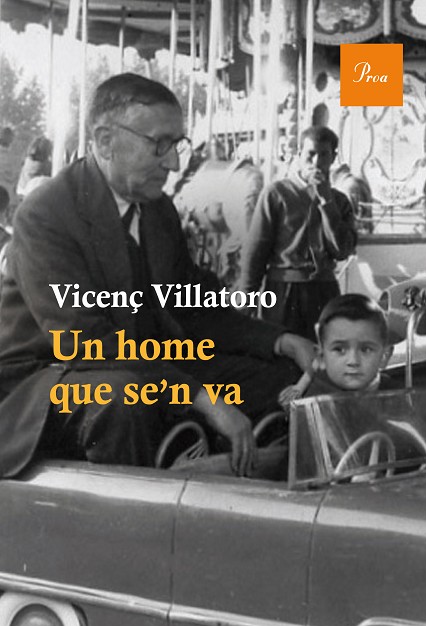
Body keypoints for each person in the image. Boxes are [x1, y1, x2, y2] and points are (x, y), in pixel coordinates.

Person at [0, 73, 314, 478]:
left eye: (177, 144)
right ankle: (130, 513)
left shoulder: (158, 210)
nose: (174, 163)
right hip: (48, 379)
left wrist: (280, 341)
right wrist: (203, 398)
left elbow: (194, 307)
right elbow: (88, 342)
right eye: (159, 144)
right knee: (122, 397)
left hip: (144, 365)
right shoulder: (46, 214)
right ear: (105, 140)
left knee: (281, 379)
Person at [239, 126, 357, 341]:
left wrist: (326, 202)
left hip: (324, 292)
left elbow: (342, 250)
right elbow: (255, 251)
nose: (316, 162)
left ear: (333, 158)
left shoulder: (340, 201)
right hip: (282, 292)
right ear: (299, 155)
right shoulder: (276, 193)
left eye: (324, 155)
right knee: (281, 353)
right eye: (310, 154)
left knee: (324, 353)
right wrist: (247, 299)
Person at [279, 293, 393, 405]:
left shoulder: (396, 394)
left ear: (385, 356)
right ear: (321, 357)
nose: (353, 361)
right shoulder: (313, 403)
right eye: (339, 350)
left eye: (366, 349)